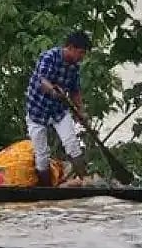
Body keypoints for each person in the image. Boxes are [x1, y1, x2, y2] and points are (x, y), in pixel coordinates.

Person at [25, 31, 92, 186]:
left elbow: (75, 91)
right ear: (70, 48)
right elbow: (43, 81)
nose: (82, 57)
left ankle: (86, 182)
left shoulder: (74, 67)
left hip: (58, 112)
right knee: (41, 156)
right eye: (81, 53)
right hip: (37, 110)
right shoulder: (50, 56)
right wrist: (54, 91)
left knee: (72, 145)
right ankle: (47, 189)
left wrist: (81, 111)